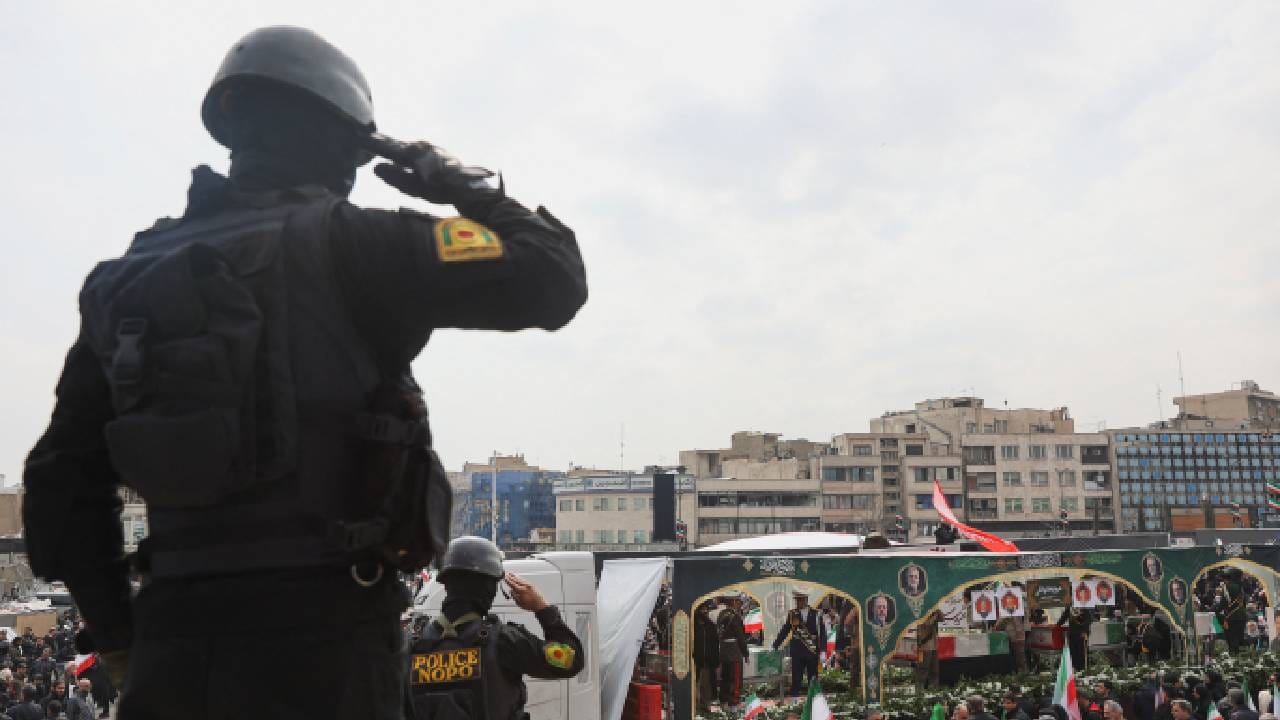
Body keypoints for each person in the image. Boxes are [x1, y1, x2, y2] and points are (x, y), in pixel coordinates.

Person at [23, 25, 586, 720]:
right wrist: (455, 180)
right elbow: (554, 276)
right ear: (346, 145)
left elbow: (58, 487)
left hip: (172, 649)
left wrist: (122, 642)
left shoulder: (124, 280)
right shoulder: (360, 243)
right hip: (330, 647)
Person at [406, 536, 584, 719]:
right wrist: (542, 609)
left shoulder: (411, 645)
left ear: (446, 584)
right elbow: (571, 660)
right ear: (488, 587)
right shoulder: (504, 641)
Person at [772, 588, 825, 697]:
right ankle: (794, 700)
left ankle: (814, 700)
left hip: (812, 650)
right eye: (797, 600)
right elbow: (785, 630)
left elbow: (822, 633)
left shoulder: (816, 614)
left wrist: (823, 650)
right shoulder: (792, 614)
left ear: (806, 600)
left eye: (800, 599)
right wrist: (775, 645)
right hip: (797, 652)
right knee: (796, 679)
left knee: (813, 679)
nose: (798, 602)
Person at [716, 594, 749, 710]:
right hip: (734, 651)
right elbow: (740, 637)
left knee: (725, 678)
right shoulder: (734, 616)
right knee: (736, 679)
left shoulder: (721, 614)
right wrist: (745, 653)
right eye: (739, 601)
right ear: (734, 601)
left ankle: (724, 701)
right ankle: (734, 703)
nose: (740, 604)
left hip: (723, 650)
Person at [691, 601, 719, 714]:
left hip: (707, 661)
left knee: (705, 684)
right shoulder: (692, 625)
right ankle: (694, 706)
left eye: (706, 609)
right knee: (694, 683)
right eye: (702, 609)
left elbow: (715, 644)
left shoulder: (710, 626)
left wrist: (715, 660)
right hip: (694, 660)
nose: (705, 611)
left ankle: (705, 706)